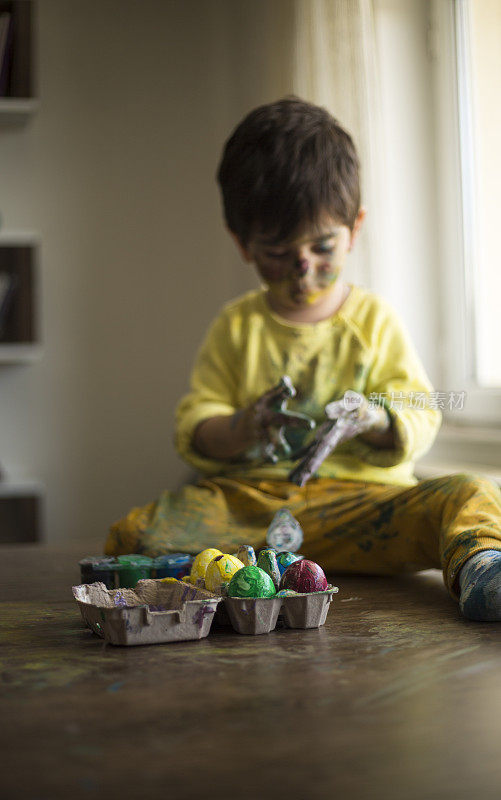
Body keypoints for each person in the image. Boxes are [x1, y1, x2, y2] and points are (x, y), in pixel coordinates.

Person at [105, 97, 501, 621]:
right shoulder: (236, 327)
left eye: (323, 247)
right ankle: (184, 582)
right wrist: (244, 426)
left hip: (365, 507)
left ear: (354, 229)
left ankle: (482, 571)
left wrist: (379, 419)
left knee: (471, 492)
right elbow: (196, 427)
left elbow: (422, 410)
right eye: (277, 252)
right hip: (256, 507)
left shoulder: (375, 321)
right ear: (243, 244)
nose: (303, 270)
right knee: (137, 530)